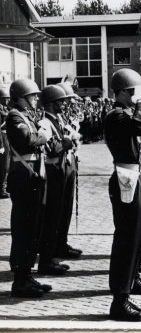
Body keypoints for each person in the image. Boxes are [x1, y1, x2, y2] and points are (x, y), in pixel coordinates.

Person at [104, 69, 141, 321]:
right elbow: (139, 127)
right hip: (126, 179)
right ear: (124, 92)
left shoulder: (126, 113)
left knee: (136, 237)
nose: (138, 95)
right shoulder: (116, 115)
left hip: (135, 177)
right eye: (134, 91)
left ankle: (129, 286)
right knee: (127, 239)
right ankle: (119, 301)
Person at [5, 78, 53, 298]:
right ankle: (20, 280)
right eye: (32, 96)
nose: (35, 99)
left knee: (33, 227)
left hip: (33, 177)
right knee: (23, 229)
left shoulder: (27, 116)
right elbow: (27, 139)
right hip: (24, 178)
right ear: (21, 98)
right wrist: (43, 135)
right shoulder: (14, 116)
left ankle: (27, 275)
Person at [37, 85, 76, 276]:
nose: (64, 104)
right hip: (52, 173)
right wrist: (67, 143)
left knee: (61, 213)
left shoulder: (56, 120)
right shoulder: (45, 122)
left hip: (61, 170)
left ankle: (57, 248)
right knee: (51, 217)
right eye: (60, 101)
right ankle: (48, 258)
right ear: (51, 103)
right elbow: (52, 148)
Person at [55, 81, 83, 261]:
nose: (69, 104)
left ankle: (62, 242)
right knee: (59, 208)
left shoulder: (64, 116)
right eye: (66, 100)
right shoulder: (52, 117)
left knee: (66, 206)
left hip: (69, 160)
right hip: (59, 163)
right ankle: (56, 244)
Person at [0, 86, 10, 199]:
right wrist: (1, 145)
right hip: (2, 138)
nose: (7, 100)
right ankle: (2, 189)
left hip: (6, 137)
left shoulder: (5, 109)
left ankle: (4, 187)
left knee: (7, 164)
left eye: (8, 98)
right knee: (3, 165)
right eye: (5, 98)